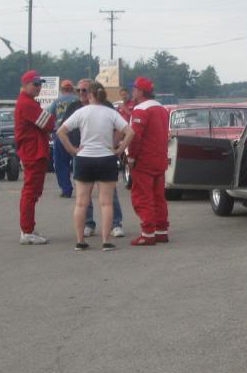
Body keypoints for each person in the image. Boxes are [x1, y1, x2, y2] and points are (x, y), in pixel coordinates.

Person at [57, 82, 135, 251]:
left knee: (81, 203)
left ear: (90, 95)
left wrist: (72, 149)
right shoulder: (110, 113)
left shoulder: (81, 112)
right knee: (106, 203)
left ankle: (80, 241)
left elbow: (60, 131)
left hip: (84, 158)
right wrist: (119, 149)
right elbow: (130, 131)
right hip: (106, 158)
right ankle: (106, 240)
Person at [127, 77, 170, 246]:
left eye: (134, 88)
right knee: (159, 197)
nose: (132, 91)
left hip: (144, 160)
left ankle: (148, 233)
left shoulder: (140, 110)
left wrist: (131, 157)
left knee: (142, 197)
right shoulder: (161, 108)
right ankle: (161, 231)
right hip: (159, 158)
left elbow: (135, 137)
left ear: (140, 91)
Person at [15, 70, 56, 244]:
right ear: (25, 85)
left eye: (40, 84)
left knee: (32, 192)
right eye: (35, 84)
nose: (39, 87)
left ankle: (28, 228)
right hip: (33, 152)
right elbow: (49, 123)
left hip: (34, 151)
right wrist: (51, 119)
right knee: (31, 192)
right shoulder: (27, 104)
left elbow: (47, 122)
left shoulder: (29, 102)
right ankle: (27, 231)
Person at [48, 79, 78, 197]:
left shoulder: (56, 102)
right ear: (72, 89)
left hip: (60, 134)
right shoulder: (77, 100)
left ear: (61, 90)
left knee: (61, 163)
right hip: (76, 134)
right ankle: (81, 186)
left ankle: (66, 189)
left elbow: (51, 118)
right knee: (78, 160)